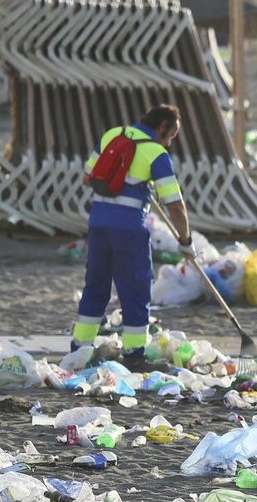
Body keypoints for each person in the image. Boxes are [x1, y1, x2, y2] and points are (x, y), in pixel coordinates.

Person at [72, 104, 190, 356]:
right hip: (128, 229)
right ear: (162, 127)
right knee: (136, 289)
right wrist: (185, 240)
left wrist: (130, 182)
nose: (169, 143)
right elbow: (176, 207)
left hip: (98, 224)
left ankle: (79, 349)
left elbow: (87, 178)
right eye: (171, 136)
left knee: (95, 286)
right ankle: (135, 353)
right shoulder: (156, 154)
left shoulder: (113, 135)